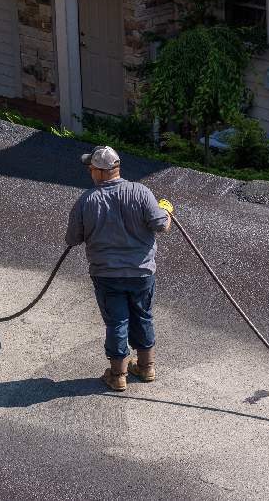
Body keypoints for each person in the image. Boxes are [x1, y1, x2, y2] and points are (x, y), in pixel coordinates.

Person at [65, 145, 173, 391]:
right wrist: (166, 210)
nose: (90, 173)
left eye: (91, 169)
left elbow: (72, 239)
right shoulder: (142, 192)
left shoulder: (86, 201)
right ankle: (146, 368)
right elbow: (162, 226)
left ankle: (117, 375)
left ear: (101, 172)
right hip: (141, 272)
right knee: (143, 315)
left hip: (107, 275)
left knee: (117, 322)